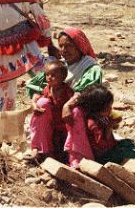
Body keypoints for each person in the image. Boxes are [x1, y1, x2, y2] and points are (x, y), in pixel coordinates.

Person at [26, 27, 103, 167]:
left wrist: (68, 104)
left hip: (83, 109)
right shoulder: (59, 66)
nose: (64, 50)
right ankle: (41, 151)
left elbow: (87, 92)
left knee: (75, 112)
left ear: (80, 46)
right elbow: (38, 86)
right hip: (58, 109)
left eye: (69, 46)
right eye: (61, 46)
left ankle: (78, 158)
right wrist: (34, 101)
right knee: (42, 103)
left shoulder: (90, 67)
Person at [75, 84, 135, 164]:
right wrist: (109, 126)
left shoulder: (101, 116)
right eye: (108, 107)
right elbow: (102, 145)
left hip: (110, 148)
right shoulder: (93, 124)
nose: (111, 109)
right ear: (98, 108)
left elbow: (115, 123)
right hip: (103, 156)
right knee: (129, 154)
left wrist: (114, 123)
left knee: (128, 143)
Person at [29, 59, 74, 162]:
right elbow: (41, 99)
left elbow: (73, 104)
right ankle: (40, 150)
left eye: (53, 75)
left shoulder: (66, 90)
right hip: (51, 124)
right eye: (47, 74)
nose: (49, 77)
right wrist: (35, 102)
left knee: (62, 150)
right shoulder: (47, 89)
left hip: (63, 126)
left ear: (63, 77)